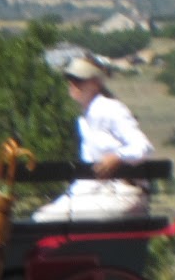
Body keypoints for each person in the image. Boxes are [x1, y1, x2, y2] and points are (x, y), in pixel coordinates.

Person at [32, 55, 154, 222]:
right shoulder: (84, 119)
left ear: (96, 83)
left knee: (45, 220)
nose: (73, 84)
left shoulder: (110, 109)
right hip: (99, 192)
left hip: (125, 192)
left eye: (79, 79)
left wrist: (118, 157)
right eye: (70, 78)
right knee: (41, 218)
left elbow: (143, 147)